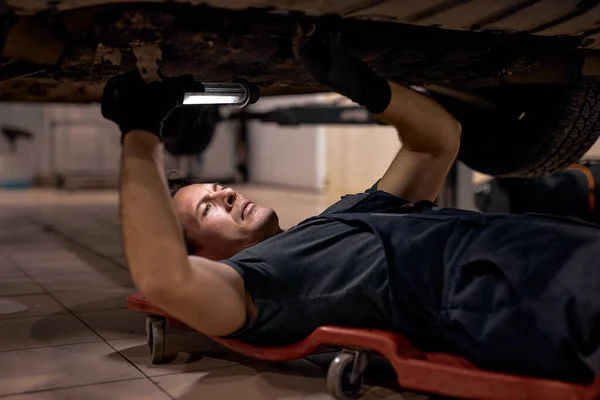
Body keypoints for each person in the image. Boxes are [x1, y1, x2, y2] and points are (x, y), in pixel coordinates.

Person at [101, 26, 600, 384]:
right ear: (200, 257)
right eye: (207, 209)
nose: (226, 193)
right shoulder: (250, 291)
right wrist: (140, 132)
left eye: (215, 187)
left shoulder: (339, 218)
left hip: (550, 246)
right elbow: (165, 279)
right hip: (521, 294)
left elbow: (437, 140)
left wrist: (367, 86)